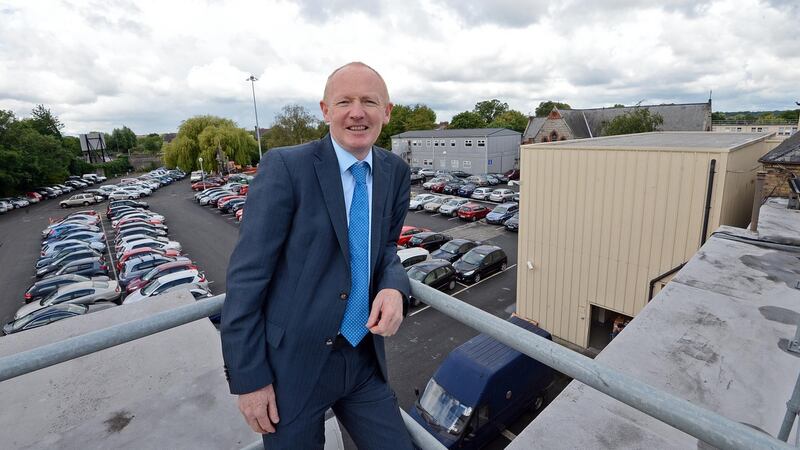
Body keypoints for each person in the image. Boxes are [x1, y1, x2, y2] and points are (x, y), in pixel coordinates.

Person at [220, 62, 414, 449]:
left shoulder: (394, 170)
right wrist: (250, 380)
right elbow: (246, 278)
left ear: (386, 111)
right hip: (290, 369)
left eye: (369, 102)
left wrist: (393, 287)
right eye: (344, 101)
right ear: (325, 110)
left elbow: (387, 247)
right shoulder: (286, 167)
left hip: (362, 360)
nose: (357, 112)